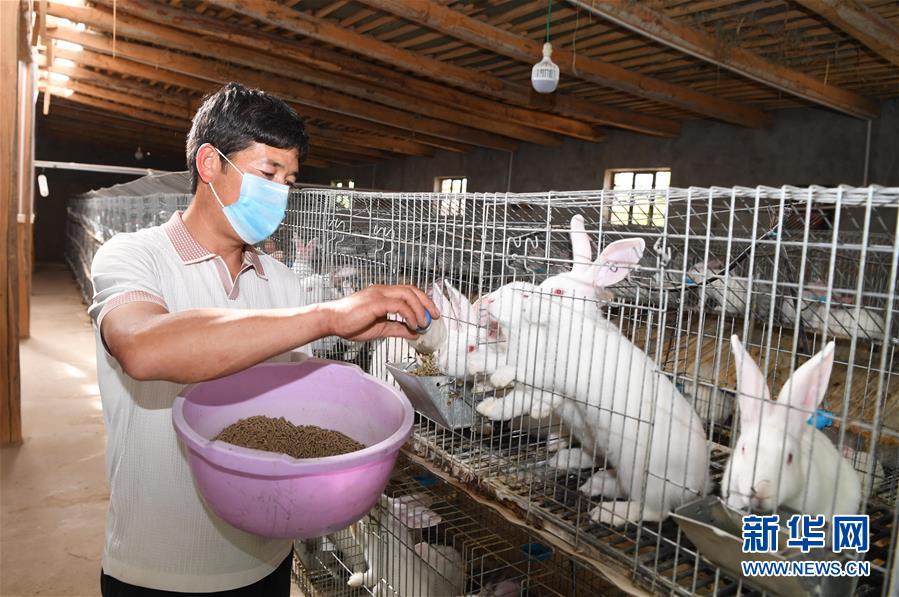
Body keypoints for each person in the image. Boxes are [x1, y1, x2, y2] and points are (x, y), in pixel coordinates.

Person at [89, 82, 437, 596]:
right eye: (267, 173)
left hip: (267, 561)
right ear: (209, 165)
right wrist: (325, 316)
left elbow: (295, 410)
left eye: (290, 180)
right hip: (159, 568)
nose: (280, 193)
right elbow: (144, 347)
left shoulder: (284, 282)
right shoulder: (134, 257)